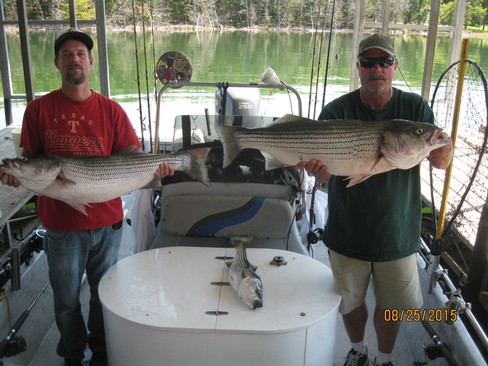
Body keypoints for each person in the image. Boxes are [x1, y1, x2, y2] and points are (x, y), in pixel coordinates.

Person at [0, 28, 174, 366]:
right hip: (62, 227)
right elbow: (30, 164)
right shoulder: (38, 111)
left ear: (90, 62)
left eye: (80, 54)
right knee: (65, 300)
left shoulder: (111, 111)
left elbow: (133, 156)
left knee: (103, 295)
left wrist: (158, 170)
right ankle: (73, 355)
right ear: (56, 63)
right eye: (67, 55)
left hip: (108, 224)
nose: (74, 59)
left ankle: (103, 353)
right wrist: (16, 174)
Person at [298, 34, 453, 366]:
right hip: (347, 231)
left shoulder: (414, 109)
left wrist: (443, 142)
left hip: (397, 234)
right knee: (350, 302)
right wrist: (316, 170)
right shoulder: (336, 110)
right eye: (368, 62)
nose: (377, 69)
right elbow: (326, 177)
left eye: (384, 62)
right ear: (358, 68)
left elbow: (440, 161)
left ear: (395, 67)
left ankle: (384, 358)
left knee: (392, 305)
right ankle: (359, 350)